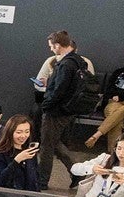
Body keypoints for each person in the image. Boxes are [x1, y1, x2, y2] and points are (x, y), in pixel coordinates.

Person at [33, 32, 85, 186]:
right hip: (69, 109)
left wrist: (46, 105)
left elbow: (59, 90)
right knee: (53, 142)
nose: (51, 50)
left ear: (57, 45)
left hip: (56, 111)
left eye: (51, 46)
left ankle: (42, 180)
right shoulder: (79, 61)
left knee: (47, 146)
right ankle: (77, 172)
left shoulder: (65, 64)